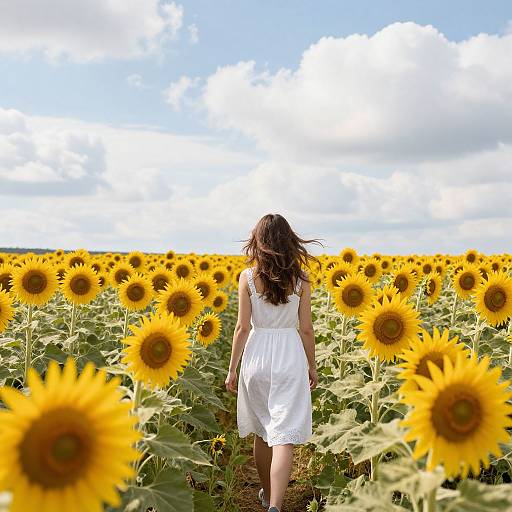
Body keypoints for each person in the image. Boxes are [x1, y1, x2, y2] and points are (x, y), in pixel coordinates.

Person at [225, 213, 322, 512]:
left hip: (256, 355)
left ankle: (267, 494)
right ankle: (276, 506)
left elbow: (242, 328)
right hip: (289, 355)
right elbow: (306, 328)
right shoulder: (301, 279)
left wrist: (232, 369)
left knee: (262, 431)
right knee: (284, 435)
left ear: (259, 241)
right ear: (288, 241)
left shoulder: (247, 278)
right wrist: (312, 365)